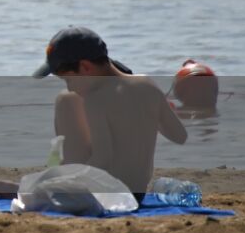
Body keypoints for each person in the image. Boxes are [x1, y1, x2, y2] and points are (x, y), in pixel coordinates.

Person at [31, 26, 188, 197]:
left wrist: (67, 181)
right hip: (138, 193)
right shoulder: (148, 84)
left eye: (68, 79)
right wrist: (154, 111)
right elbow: (180, 136)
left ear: (85, 67)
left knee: (65, 99)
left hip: (105, 195)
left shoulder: (95, 99)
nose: (70, 86)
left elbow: (103, 157)